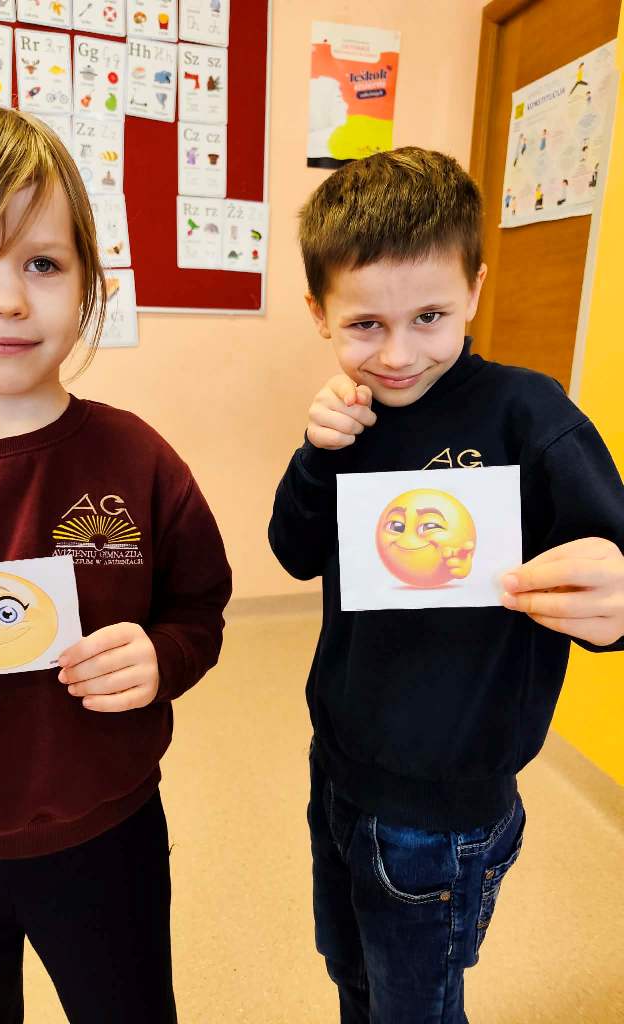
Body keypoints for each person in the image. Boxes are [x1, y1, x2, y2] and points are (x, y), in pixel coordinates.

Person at [0, 102, 231, 1023]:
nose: (6, 299)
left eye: (42, 264)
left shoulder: (139, 460)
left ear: (89, 281)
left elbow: (198, 610)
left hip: (108, 832)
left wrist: (162, 658)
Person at [268, 147, 624, 1023]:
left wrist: (615, 595)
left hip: (445, 807)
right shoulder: (347, 420)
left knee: (417, 1006)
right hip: (338, 765)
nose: (398, 354)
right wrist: (316, 456)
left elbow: (609, 568)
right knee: (349, 971)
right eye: (365, 324)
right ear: (318, 313)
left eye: (429, 316)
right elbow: (293, 552)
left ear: (473, 289)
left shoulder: (531, 417)